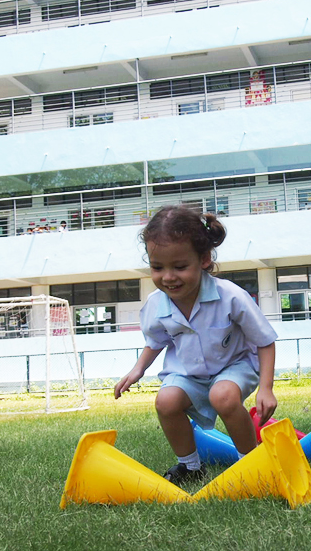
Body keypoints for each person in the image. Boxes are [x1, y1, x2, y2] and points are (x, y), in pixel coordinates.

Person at [114, 206, 278, 485]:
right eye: (157, 267)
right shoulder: (156, 304)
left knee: (223, 396)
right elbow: (157, 340)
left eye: (179, 267)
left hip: (234, 366)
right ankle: (190, 467)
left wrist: (266, 388)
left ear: (203, 259)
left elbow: (264, 341)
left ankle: (251, 463)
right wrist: (137, 369)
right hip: (188, 372)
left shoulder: (230, 296)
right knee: (165, 401)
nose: (168, 277)